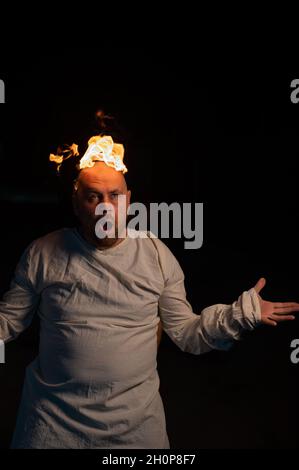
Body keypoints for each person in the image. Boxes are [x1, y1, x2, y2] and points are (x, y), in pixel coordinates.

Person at [1, 113, 298, 449]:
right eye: (93, 196)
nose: (105, 208)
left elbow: (187, 334)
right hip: (52, 426)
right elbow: (8, 322)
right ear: (76, 202)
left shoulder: (156, 256)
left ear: (129, 199)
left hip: (133, 432)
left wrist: (238, 316)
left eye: (115, 195)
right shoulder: (43, 252)